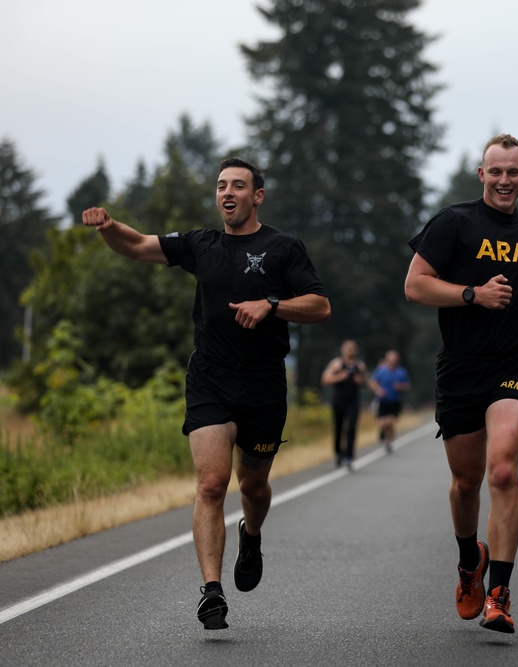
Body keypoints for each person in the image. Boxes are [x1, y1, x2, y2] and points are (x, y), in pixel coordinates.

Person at [81, 158, 331, 631]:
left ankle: (251, 534)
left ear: (258, 196)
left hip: (263, 383)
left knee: (252, 486)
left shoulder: (283, 247)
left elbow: (320, 306)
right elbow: (137, 245)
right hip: (211, 377)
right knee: (212, 484)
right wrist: (109, 227)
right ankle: (211, 591)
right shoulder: (201, 244)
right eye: (221, 186)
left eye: (238, 185)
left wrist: (272, 305)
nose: (227, 192)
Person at [403, 133, 518, 634]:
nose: (504, 180)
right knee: (465, 481)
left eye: (513, 172)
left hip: (513, 365)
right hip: (460, 368)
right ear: (482, 174)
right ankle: (468, 559)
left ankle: (499, 592)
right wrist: (472, 294)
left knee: (501, 471)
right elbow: (415, 285)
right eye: (495, 171)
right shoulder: (454, 222)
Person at [321, 339, 367, 469]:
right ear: (343, 350)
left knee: (351, 428)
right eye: (348, 348)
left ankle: (349, 455)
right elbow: (325, 379)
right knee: (339, 428)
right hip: (338, 401)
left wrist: (361, 381)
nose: (350, 351)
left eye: (352, 348)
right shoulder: (336, 364)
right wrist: (339, 377)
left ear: (356, 350)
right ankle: (338, 454)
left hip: (353, 402)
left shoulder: (360, 365)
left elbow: (365, 382)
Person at [367, 349, 410, 452]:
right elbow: (372, 382)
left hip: (394, 401)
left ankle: (388, 441)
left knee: (390, 422)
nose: (392, 362)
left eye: (394, 360)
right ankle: (385, 434)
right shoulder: (381, 371)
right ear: (387, 360)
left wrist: (400, 386)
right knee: (383, 423)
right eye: (390, 360)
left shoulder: (401, 372)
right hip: (382, 401)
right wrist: (378, 390)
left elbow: (407, 386)